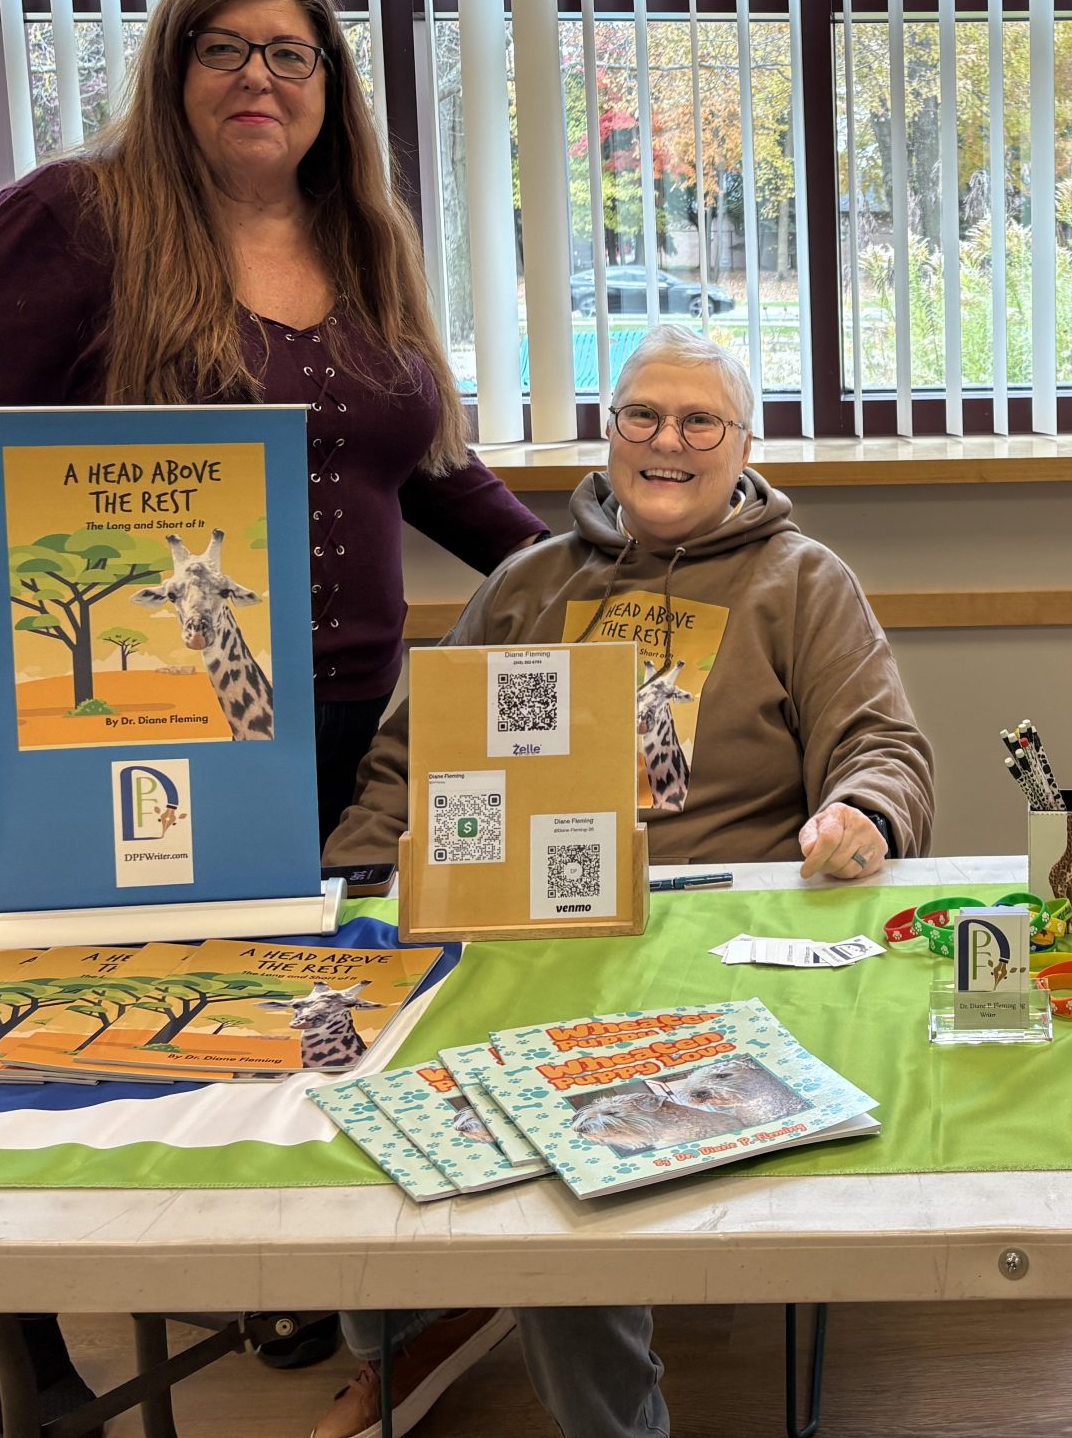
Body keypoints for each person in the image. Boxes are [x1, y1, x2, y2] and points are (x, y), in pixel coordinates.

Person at [0, 0, 548, 1436]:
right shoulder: (80, 220)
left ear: (331, 85)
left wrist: (590, 569)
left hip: (334, 717)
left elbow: (433, 471)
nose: (260, 76)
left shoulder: (362, 238)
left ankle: (272, 1264)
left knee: (285, 1007)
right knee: (75, 1014)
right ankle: (4, 1335)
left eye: (291, 53)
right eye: (223, 48)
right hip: (123, 712)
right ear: (173, 69)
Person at [312, 322, 934, 1438]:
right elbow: (414, 755)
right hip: (520, 931)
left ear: (743, 445)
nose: (668, 441)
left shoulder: (802, 582)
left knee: (576, 1160)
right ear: (609, 436)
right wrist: (355, 880)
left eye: (700, 421)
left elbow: (882, 746)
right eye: (643, 414)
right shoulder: (528, 582)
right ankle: (408, 1335)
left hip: (715, 944)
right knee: (353, 1096)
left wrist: (864, 814)